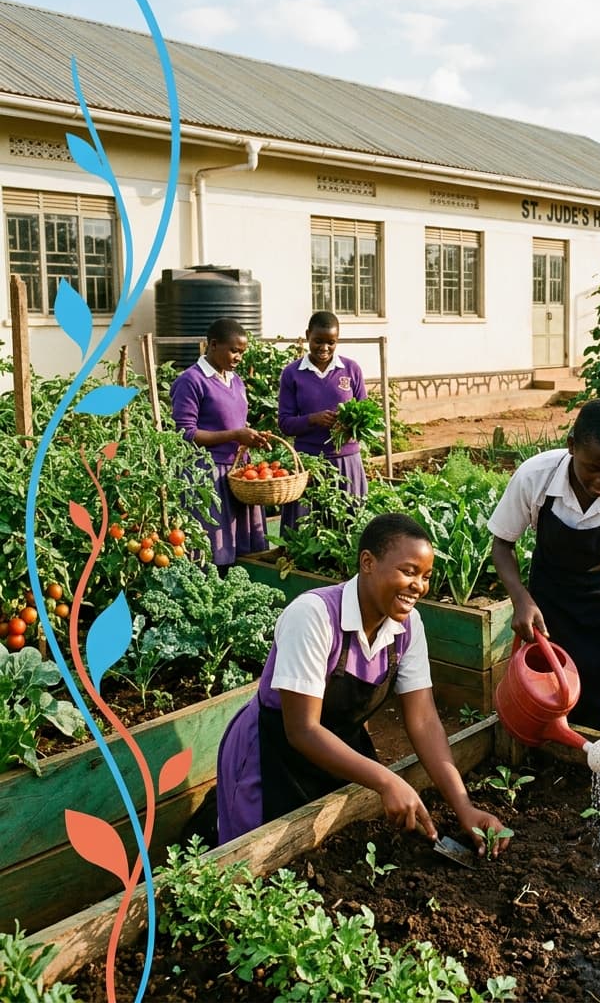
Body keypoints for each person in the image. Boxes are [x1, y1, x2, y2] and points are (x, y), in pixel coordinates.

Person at [216, 512, 508, 853]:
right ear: (368, 562)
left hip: (339, 750)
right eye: (409, 571)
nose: (419, 585)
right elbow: (302, 730)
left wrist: (463, 806)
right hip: (272, 756)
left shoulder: (407, 627)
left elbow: (424, 720)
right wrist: (385, 779)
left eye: (426, 576)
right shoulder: (314, 616)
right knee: (255, 857)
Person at [488, 397, 600, 743]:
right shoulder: (535, 477)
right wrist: (521, 598)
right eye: (594, 468)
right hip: (553, 612)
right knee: (553, 708)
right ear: (571, 446)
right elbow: (502, 545)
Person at [170, 318, 269, 570]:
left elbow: (235, 421)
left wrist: (251, 437)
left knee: (243, 551)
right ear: (213, 345)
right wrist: (235, 435)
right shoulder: (191, 381)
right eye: (234, 350)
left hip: (238, 473)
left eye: (242, 352)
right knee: (213, 551)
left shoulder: (235, 380)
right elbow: (185, 433)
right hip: (207, 474)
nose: (239, 357)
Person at [278, 310, 369, 530]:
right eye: (318, 341)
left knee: (348, 527)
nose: (324, 348)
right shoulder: (292, 373)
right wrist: (313, 419)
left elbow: (367, 417)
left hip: (346, 461)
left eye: (331, 342)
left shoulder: (351, 369)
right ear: (307, 335)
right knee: (304, 530)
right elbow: (285, 424)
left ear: (337, 340)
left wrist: (349, 425)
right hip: (308, 462)